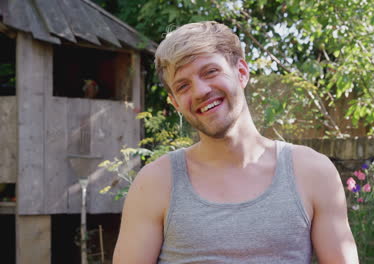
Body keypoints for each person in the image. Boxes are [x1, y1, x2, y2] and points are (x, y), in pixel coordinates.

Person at [113, 21, 358, 264]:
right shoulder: (155, 183)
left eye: (210, 72)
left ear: (241, 72)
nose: (199, 91)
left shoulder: (312, 171)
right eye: (183, 86)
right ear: (175, 102)